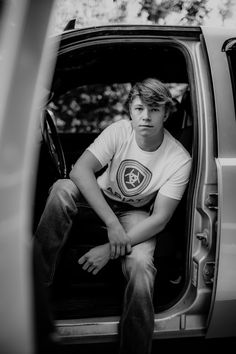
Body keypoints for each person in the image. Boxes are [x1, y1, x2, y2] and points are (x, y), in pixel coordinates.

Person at [35, 77, 192, 354]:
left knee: (142, 264)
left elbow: (160, 219)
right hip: (99, 201)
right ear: (130, 111)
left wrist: (110, 248)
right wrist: (111, 224)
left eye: (155, 110)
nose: (146, 116)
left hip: (136, 213)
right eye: (139, 109)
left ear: (166, 114)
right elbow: (79, 171)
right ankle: (35, 291)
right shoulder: (120, 131)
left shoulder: (179, 159)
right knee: (61, 189)